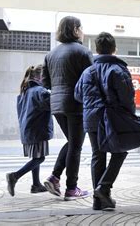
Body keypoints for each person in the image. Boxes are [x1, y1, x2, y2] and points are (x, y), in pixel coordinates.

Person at [74, 32, 134, 210]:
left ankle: (98, 201)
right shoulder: (118, 69)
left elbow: (78, 95)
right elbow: (127, 97)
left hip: (91, 119)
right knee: (120, 151)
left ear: (97, 50)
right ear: (114, 49)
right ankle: (104, 187)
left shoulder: (87, 71)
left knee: (97, 155)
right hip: (112, 118)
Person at [42, 16, 93, 201]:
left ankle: (55, 177)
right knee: (76, 146)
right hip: (76, 104)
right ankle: (71, 188)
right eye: (81, 28)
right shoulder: (83, 52)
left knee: (72, 142)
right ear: (75, 30)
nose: (83, 31)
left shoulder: (50, 54)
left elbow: (46, 82)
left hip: (56, 105)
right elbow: (92, 79)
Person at [6, 65, 52, 197]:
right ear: (40, 76)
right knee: (40, 158)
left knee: (36, 156)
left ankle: (36, 185)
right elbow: (51, 105)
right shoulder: (40, 91)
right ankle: (15, 176)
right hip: (38, 129)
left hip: (28, 130)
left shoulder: (25, 91)